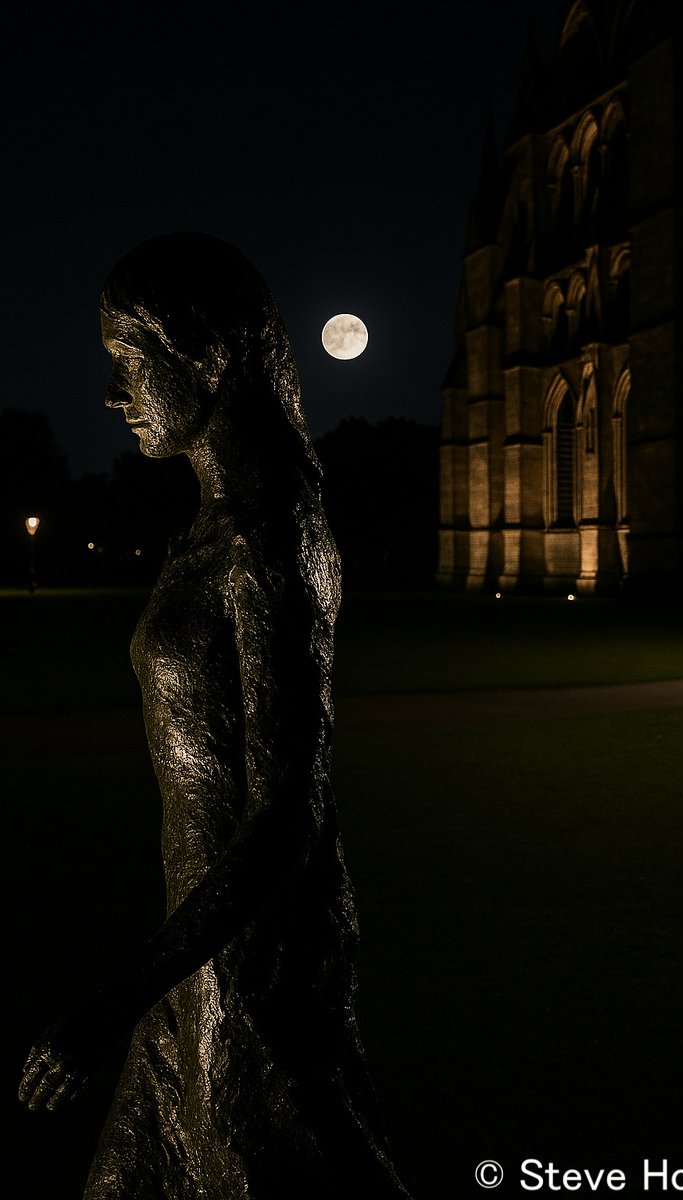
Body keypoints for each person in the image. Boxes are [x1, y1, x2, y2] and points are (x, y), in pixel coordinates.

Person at [18, 232, 409, 1199]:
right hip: (190, 962)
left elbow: (289, 818)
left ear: (207, 352)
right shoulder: (211, 528)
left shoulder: (270, 533)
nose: (115, 396)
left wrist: (115, 998)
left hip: (254, 972)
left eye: (128, 362)